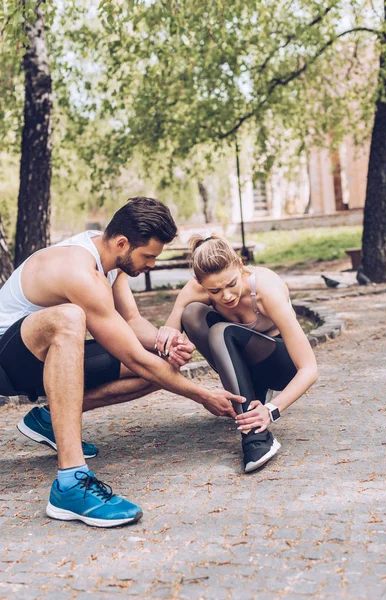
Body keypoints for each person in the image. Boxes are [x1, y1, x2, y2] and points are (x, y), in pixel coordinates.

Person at [0, 199, 245, 528]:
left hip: (40, 359)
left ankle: (46, 420)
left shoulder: (109, 256)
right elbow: (132, 357)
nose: (152, 265)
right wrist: (203, 395)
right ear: (122, 243)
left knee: (161, 363)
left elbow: (130, 321)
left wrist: (164, 340)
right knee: (69, 318)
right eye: (149, 256)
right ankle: (71, 483)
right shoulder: (80, 272)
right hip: (7, 359)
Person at [155, 234, 318, 473]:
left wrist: (271, 410)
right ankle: (249, 396)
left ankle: (256, 436)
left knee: (221, 331)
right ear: (199, 283)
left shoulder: (265, 291)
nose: (227, 296)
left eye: (231, 284)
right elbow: (172, 333)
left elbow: (309, 369)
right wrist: (172, 346)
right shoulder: (194, 288)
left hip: (281, 366)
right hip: (242, 361)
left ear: (240, 266)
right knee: (190, 314)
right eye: (215, 291)